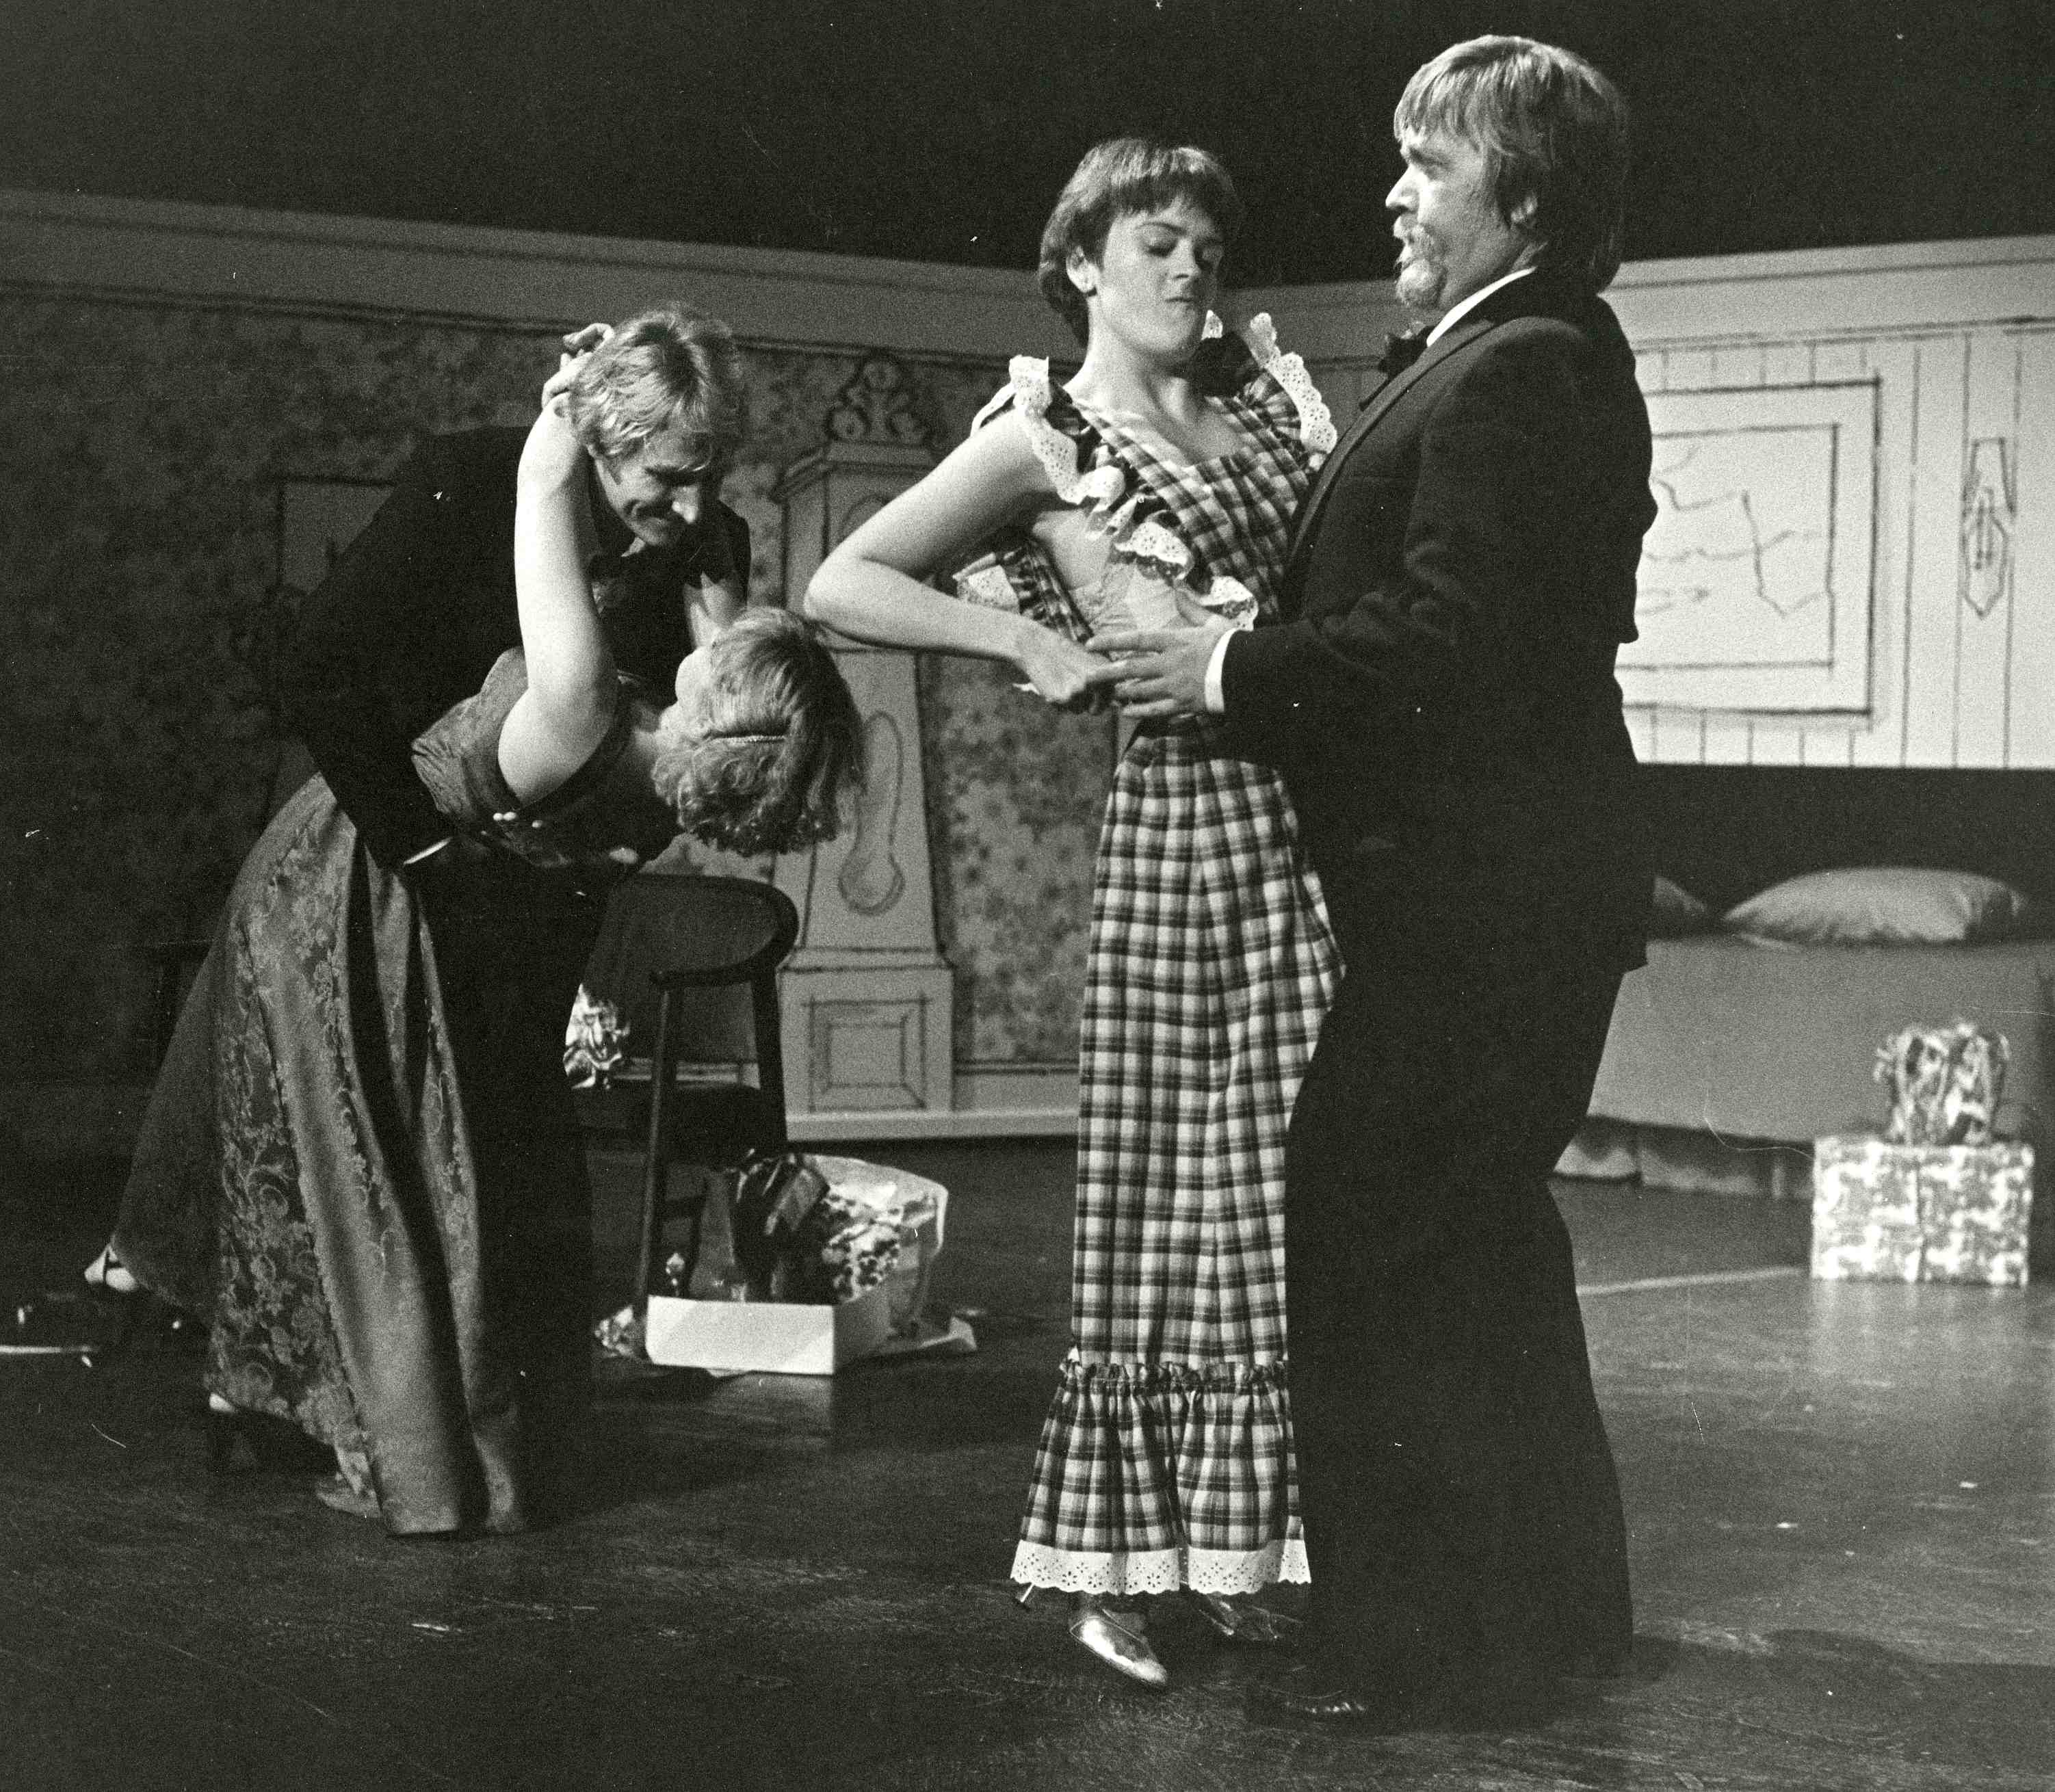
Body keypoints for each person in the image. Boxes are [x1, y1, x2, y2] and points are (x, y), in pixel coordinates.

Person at [1090, 38, 1656, 1724]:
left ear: (1524, 200)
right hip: (1499, 898)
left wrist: (1218, 667)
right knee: (1472, 1243)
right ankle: (1547, 1616)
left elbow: (1446, 638)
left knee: (1375, 1241)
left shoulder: (1519, 366)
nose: (1394, 195)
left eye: (1430, 165)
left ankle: (1422, 1653)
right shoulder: (1516, 350)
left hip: (1480, 906)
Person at [107, 306, 861, 1537]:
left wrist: (591, 471)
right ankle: (349, 1409)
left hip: (500, 886)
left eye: (710, 477)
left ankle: (415, 1420)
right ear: (604, 445)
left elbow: (723, 686)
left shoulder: (629, 639)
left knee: (429, 1179)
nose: (693, 512)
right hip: (379, 865)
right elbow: (322, 673)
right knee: (379, 1176)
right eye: (671, 478)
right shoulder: (488, 505)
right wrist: (429, 853)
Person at [806, 140, 1340, 1689]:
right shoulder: (1041, 439)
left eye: (1207, 249)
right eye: (1156, 243)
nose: (1189, 270)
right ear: (1083, 265)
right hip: (1183, 828)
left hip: (1313, 825)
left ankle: (1237, 1553)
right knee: (1166, 1201)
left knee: (1282, 1194)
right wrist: (1020, 645)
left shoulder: (1268, 407)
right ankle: (1114, 1571)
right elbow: (846, 580)